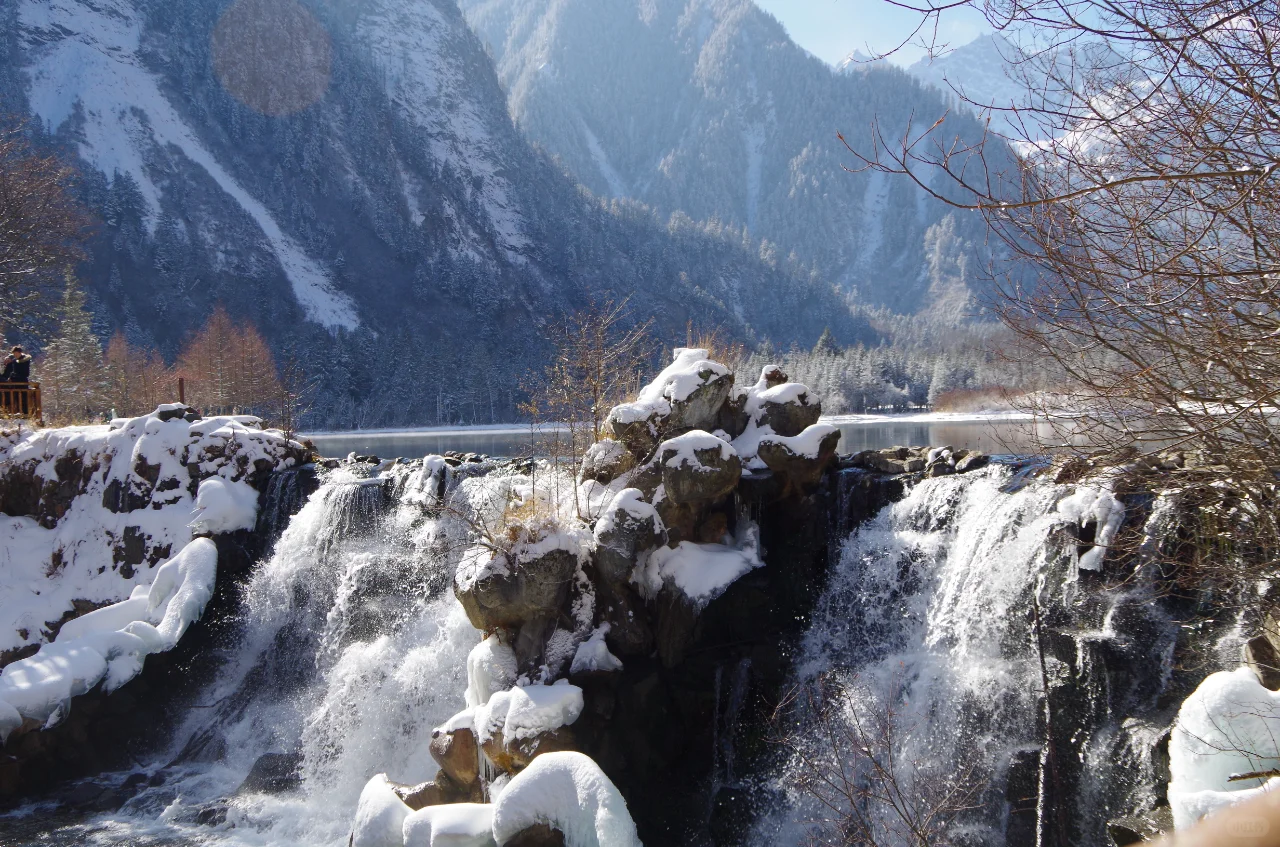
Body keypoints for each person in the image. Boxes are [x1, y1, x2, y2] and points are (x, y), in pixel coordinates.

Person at [1, 346, 33, 415]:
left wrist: (13, 376)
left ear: (20, 353)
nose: (15, 355)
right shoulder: (13, 361)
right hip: (14, 383)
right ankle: (16, 412)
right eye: (14, 354)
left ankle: (24, 413)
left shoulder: (24, 361)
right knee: (15, 398)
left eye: (16, 353)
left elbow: (25, 373)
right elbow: (6, 374)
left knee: (23, 399)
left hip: (22, 382)